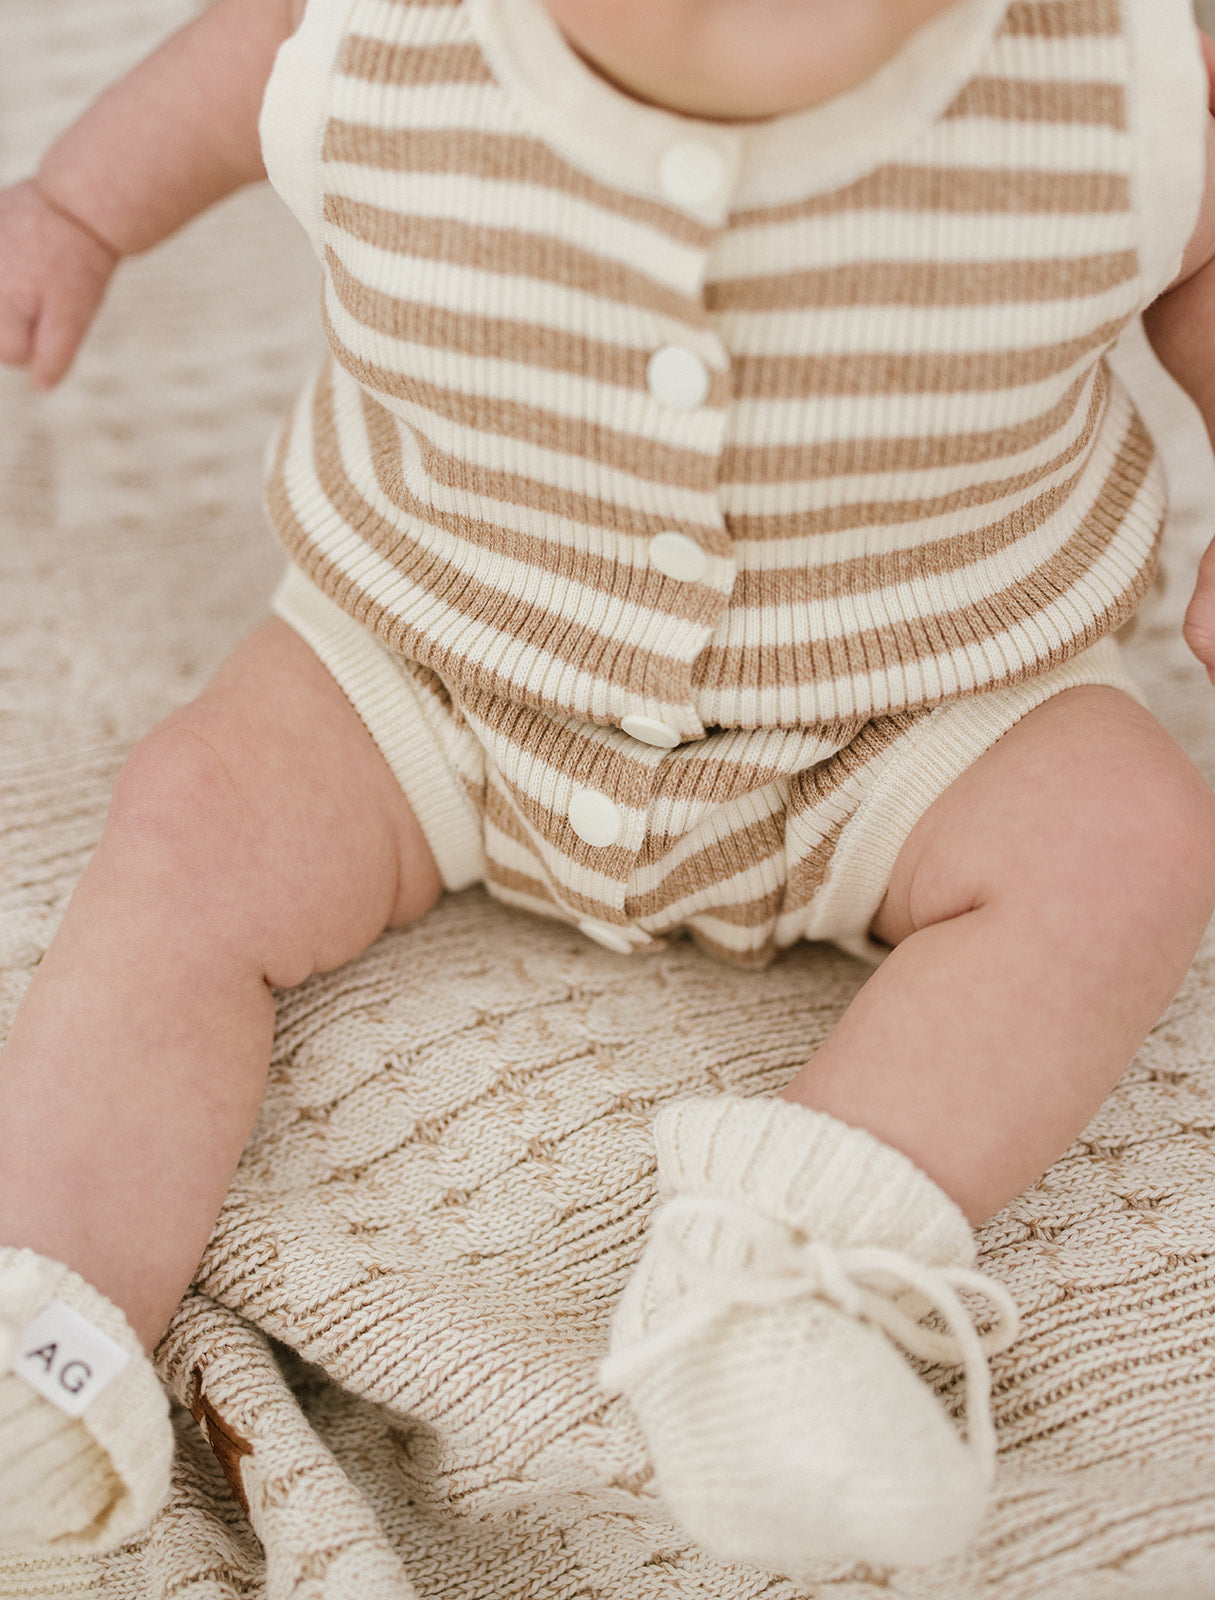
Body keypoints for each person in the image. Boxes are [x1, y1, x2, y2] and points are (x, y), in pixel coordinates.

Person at [1, 0, 1215, 1576]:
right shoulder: (365, 28)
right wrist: (75, 208)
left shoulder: (1132, 68)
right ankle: (49, 1330)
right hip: (430, 668)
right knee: (191, 825)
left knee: (1125, 843)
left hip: (927, 704)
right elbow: (204, 92)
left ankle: (773, 1281)